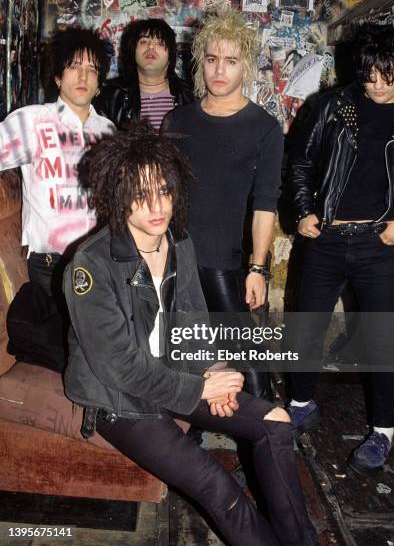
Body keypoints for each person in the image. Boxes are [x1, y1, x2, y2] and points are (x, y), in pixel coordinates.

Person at [63, 122, 317, 546]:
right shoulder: (90, 266)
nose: (157, 205)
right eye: (141, 196)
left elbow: (195, 323)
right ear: (118, 198)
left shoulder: (179, 241)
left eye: (163, 190)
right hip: (119, 402)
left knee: (276, 422)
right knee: (220, 487)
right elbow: (120, 368)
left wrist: (213, 370)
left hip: (175, 374)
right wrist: (198, 389)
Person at [285, 24, 394, 474]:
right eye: (368, 73)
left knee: (378, 338)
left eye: (386, 74)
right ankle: (301, 404)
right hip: (327, 238)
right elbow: (298, 162)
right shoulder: (332, 106)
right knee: (305, 328)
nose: (376, 83)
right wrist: (302, 212)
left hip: (379, 243)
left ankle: (382, 432)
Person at [162, 9, 284, 399]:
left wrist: (258, 269)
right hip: (173, 257)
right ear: (201, 61)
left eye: (230, 61)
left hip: (223, 260)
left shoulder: (263, 127)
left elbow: (266, 204)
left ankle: (269, 424)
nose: (219, 70)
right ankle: (197, 423)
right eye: (212, 59)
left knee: (244, 352)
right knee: (187, 351)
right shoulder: (177, 120)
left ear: (244, 64)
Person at [0, 28, 114, 298]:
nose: (83, 76)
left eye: (92, 69)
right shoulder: (33, 120)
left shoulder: (108, 130)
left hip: (99, 260)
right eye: (74, 67)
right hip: (50, 265)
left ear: (99, 84)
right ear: (58, 77)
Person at [95, 18, 193, 130]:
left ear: (171, 55)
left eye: (160, 42)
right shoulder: (111, 97)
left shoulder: (190, 97)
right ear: (133, 51)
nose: (151, 46)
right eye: (144, 41)